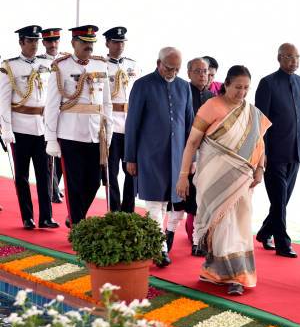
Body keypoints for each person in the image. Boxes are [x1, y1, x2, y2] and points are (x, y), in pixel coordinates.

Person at [176, 65, 270, 296]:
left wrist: (260, 169)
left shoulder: (252, 111)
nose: (242, 92)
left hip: (242, 178)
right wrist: (183, 176)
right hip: (213, 175)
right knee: (220, 225)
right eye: (237, 87)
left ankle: (236, 275)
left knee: (239, 224)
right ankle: (219, 272)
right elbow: (192, 143)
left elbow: (259, 143)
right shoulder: (211, 106)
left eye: (246, 88)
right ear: (226, 84)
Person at [125, 47, 193, 268]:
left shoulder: (184, 87)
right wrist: (130, 157)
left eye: (176, 68)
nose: (172, 72)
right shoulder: (142, 85)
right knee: (155, 204)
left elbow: (190, 125)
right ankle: (160, 249)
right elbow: (132, 124)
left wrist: (192, 158)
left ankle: (155, 242)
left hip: (176, 158)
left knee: (170, 203)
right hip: (149, 155)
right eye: (168, 67)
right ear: (158, 63)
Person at [44, 25, 113, 228]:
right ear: (74, 43)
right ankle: (77, 224)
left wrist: (108, 132)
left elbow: (106, 103)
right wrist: (51, 139)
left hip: (95, 133)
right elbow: (51, 105)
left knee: (93, 182)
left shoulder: (101, 65)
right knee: (74, 183)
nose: (88, 47)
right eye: (84, 42)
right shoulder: (61, 67)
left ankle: (77, 215)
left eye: (91, 43)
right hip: (70, 133)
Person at [254, 43, 300, 258]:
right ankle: (283, 242)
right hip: (273, 154)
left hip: (296, 152)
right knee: (279, 199)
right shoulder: (268, 83)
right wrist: (263, 154)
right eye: (289, 57)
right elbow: (260, 123)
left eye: (297, 57)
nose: (294, 61)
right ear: (279, 58)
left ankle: (264, 231)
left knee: (282, 200)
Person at [0, 25, 59, 230]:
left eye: (36, 41)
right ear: (21, 42)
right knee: (22, 175)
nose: (34, 44)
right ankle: (27, 216)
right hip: (20, 127)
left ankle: (46, 216)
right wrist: (7, 130)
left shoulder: (48, 63)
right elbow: (4, 101)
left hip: (42, 127)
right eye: (30, 41)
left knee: (45, 174)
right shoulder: (10, 66)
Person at [103, 26, 140, 213]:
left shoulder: (132, 65)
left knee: (131, 171)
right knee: (111, 172)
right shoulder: (101, 65)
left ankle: (128, 210)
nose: (119, 46)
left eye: (122, 42)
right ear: (107, 43)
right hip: (110, 124)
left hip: (130, 125)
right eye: (115, 42)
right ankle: (114, 210)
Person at [181, 57, 214, 254]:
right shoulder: (183, 92)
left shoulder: (212, 97)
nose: (202, 75)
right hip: (187, 153)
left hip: (208, 154)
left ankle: (200, 239)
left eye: (205, 71)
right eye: (198, 71)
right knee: (190, 199)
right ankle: (191, 239)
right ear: (189, 73)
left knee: (204, 197)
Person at [37, 27, 64, 204]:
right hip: (46, 114)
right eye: (49, 41)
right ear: (44, 43)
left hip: (65, 114)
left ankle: (56, 186)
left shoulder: (66, 60)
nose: (53, 44)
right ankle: (52, 190)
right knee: (49, 156)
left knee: (62, 156)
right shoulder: (38, 63)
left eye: (56, 41)